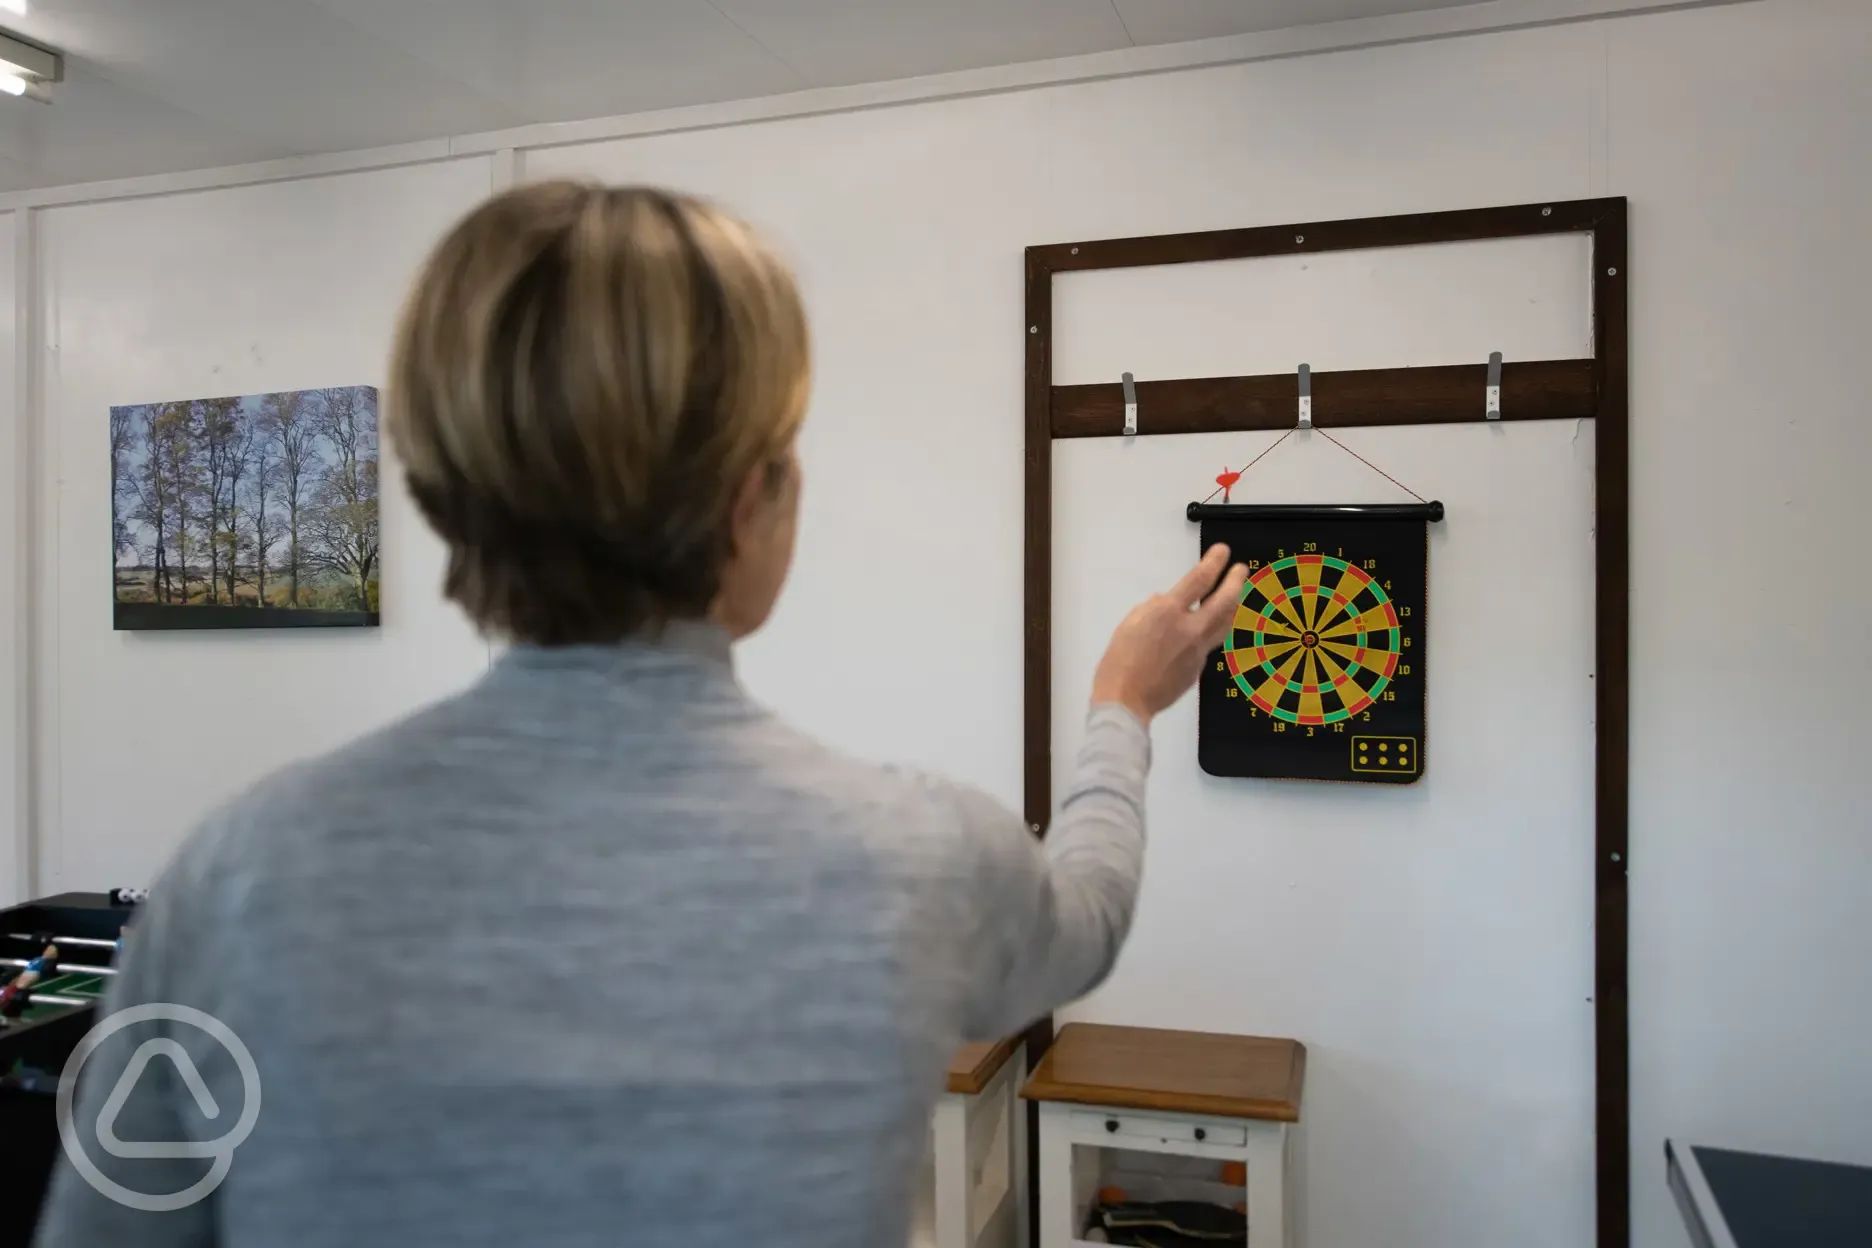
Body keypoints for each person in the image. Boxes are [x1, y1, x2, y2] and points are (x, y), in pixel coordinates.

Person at [34, 182, 1247, 1248]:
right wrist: (1122, 704)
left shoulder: (239, 875)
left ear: (451, 501)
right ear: (747, 505)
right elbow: (1083, 921)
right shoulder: (915, 857)